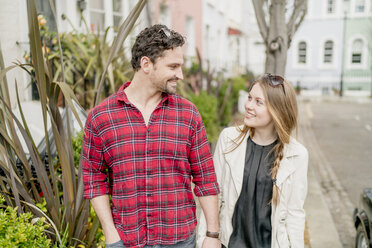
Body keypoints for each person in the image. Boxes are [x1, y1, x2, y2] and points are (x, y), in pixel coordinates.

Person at [82, 24, 221, 248]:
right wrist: (110, 232)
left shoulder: (188, 114)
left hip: (179, 239)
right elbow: (94, 179)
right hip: (126, 241)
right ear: (146, 64)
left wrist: (212, 235)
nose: (181, 75)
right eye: (173, 66)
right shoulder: (101, 117)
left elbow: (205, 178)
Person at [197, 74, 309, 248]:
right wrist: (206, 238)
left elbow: (295, 214)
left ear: (277, 111)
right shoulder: (229, 139)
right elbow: (214, 193)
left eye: (258, 102)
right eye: (249, 98)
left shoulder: (297, 155)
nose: (248, 105)